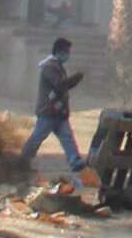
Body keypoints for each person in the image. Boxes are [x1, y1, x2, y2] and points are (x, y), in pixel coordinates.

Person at [21, 37, 88, 175]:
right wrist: (76, 78)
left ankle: (75, 161)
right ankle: (22, 162)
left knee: (67, 137)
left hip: (59, 113)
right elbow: (60, 85)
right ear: (59, 52)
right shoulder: (49, 66)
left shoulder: (57, 66)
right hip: (48, 111)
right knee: (37, 137)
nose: (68, 55)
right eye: (66, 52)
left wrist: (76, 79)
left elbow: (63, 87)